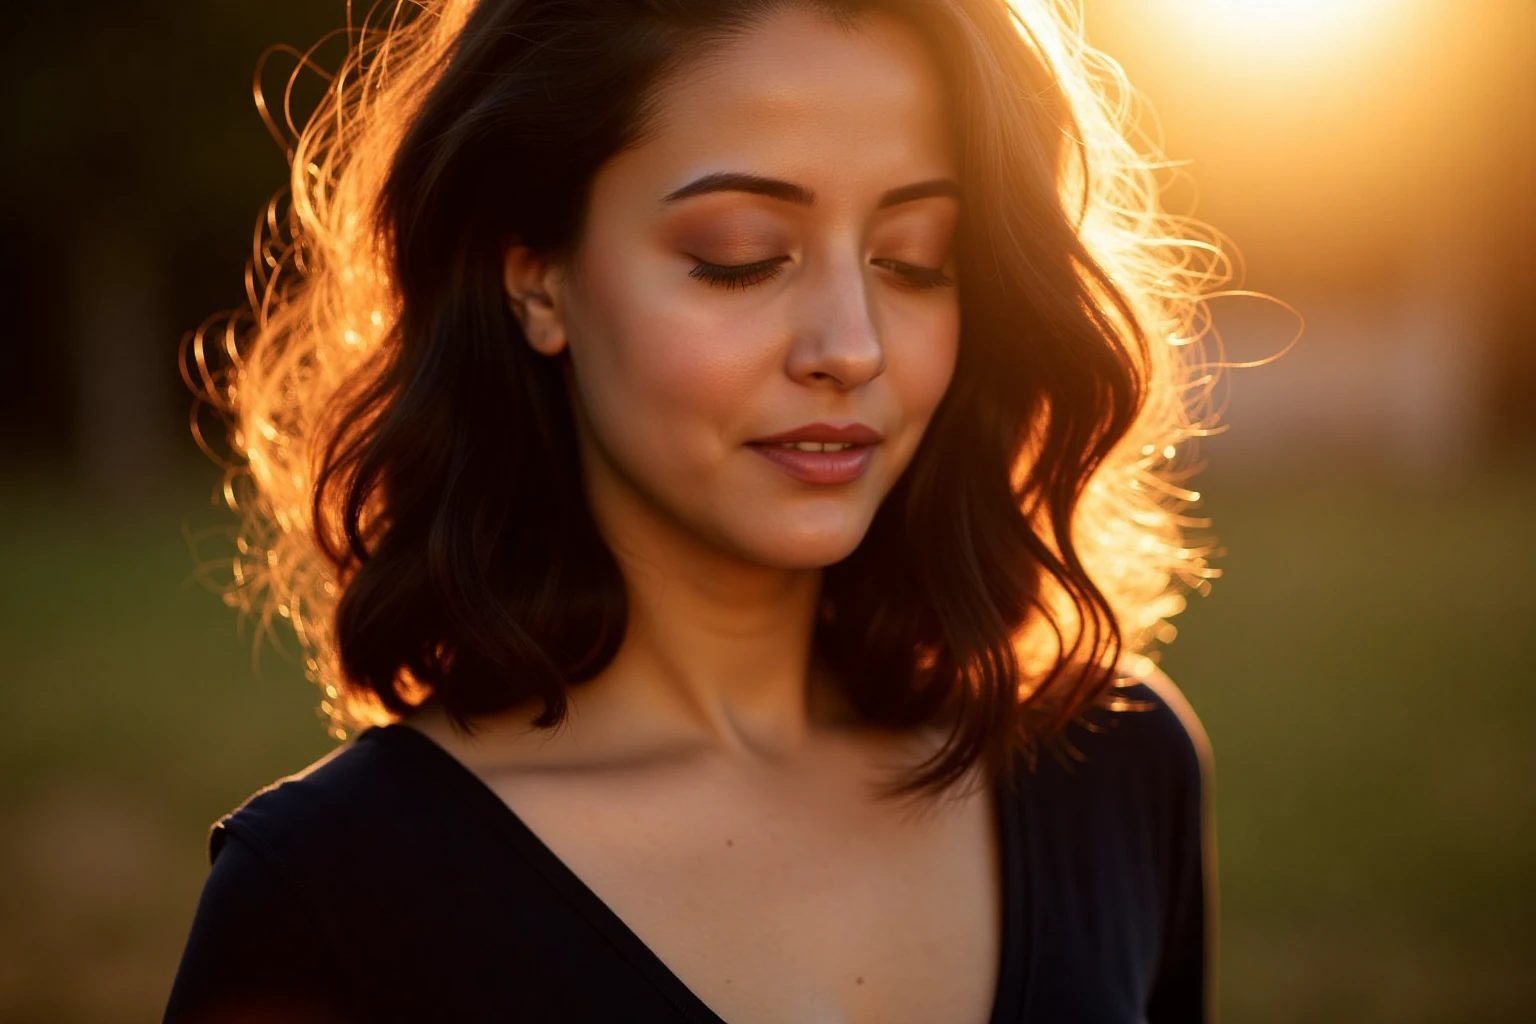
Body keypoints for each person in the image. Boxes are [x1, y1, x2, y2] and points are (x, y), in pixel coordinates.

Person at [166, 0, 1222, 1020]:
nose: (851, 345)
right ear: (535, 276)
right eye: (740, 254)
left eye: (914, 260)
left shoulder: (1116, 770)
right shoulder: (332, 900)